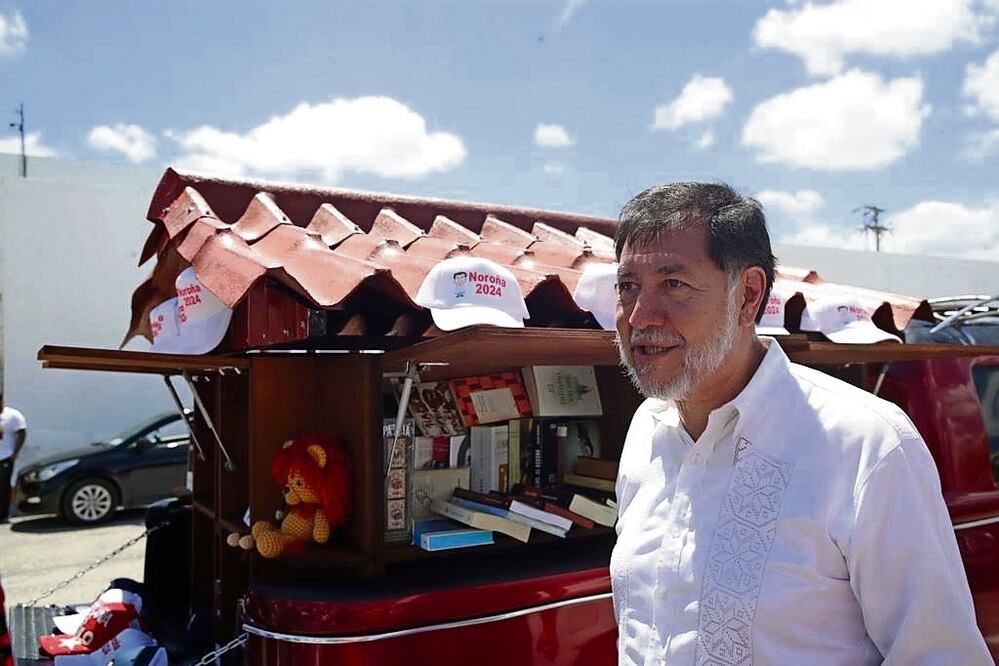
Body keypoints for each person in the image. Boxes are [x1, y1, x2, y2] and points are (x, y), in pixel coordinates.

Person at [610, 182, 990, 664]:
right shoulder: (647, 431)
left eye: (673, 284)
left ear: (748, 296)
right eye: (627, 287)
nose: (641, 315)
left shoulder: (864, 444)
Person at [0, 391, 27, 523]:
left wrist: (15, 454)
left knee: (3, 486)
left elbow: (21, 433)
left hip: (5, 457)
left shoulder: (13, 415)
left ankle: (3, 514)